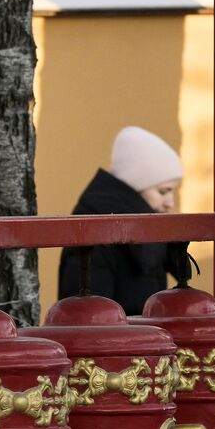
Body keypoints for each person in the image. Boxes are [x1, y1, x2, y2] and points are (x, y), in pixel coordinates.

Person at [58, 126, 184, 316]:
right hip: (116, 342)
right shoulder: (94, 231)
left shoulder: (147, 231)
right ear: (135, 186)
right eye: (163, 191)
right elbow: (89, 319)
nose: (170, 203)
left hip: (136, 341)